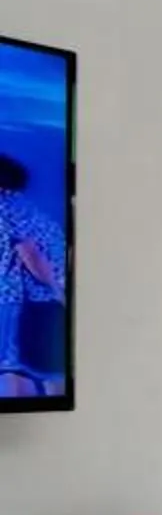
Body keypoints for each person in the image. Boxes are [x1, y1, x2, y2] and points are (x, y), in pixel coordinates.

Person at [0, 152, 66, 394]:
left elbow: (30, 253)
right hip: (45, 304)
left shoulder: (5, 209)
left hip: (16, 303)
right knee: (50, 373)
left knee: (12, 370)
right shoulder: (35, 213)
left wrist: (56, 288)